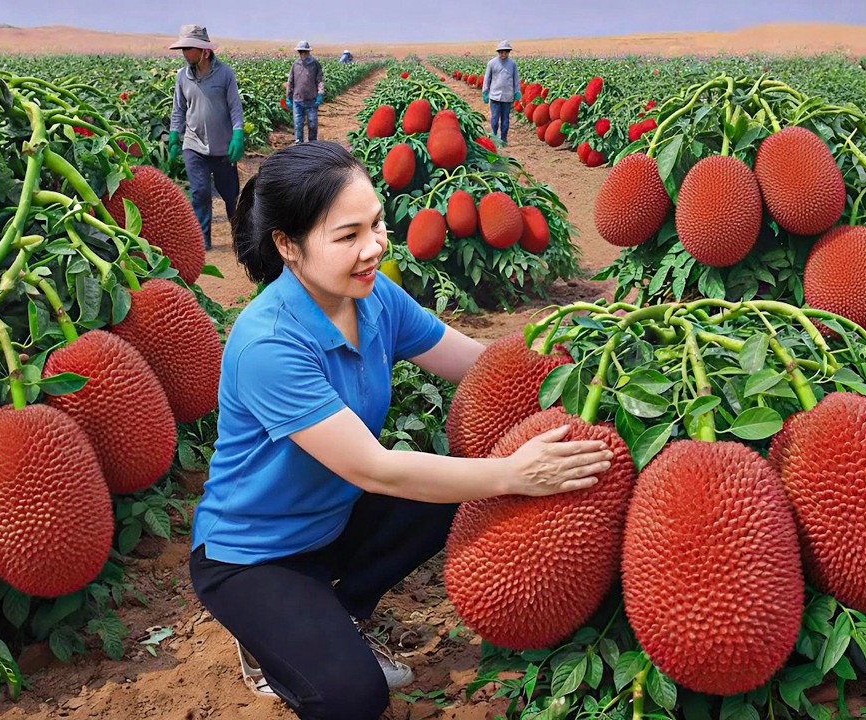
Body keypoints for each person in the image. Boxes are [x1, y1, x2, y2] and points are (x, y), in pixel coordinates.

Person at [190, 141, 615, 720]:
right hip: (254, 556)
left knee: (457, 486)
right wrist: (515, 473)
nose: (373, 248)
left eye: (376, 225)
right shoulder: (268, 343)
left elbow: (480, 364)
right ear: (287, 246)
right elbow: (375, 468)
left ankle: (340, 611)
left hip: (333, 520)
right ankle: (269, 644)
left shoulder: (374, 297)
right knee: (354, 699)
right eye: (348, 236)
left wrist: (586, 356)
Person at [169, 24, 246, 251]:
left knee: (230, 195)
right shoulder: (182, 76)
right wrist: (174, 136)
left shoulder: (225, 74)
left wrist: (238, 134)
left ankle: (240, 236)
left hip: (223, 147)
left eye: (188, 49)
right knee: (199, 193)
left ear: (204, 51)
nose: (184, 54)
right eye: (183, 49)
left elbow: (235, 107)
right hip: (193, 144)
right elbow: (178, 109)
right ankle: (203, 241)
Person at [482, 40, 520, 145]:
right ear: (498, 52)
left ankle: (503, 139)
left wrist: (517, 91)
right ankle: (494, 137)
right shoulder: (492, 63)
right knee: (494, 118)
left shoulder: (512, 64)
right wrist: (485, 92)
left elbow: (515, 79)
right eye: (501, 52)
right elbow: (487, 79)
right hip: (495, 96)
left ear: (509, 52)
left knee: (505, 120)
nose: (503, 54)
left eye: (506, 52)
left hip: (508, 96)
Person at [287, 41, 325, 144]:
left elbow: (320, 80)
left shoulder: (315, 64)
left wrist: (320, 94)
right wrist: (288, 96)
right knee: (298, 123)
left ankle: (312, 143)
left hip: (311, 99)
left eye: (304, 51)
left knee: (312, 123)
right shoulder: (295, 64)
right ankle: (299, 143)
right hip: (297, 99)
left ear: (308, 52)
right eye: (300, 52)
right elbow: (290, 81)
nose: (302, 54)